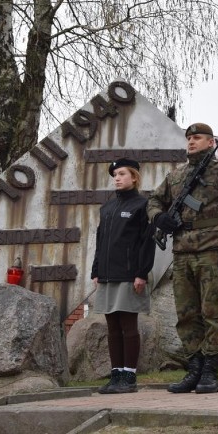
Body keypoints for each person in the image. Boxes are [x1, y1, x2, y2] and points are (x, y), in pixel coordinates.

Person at [148, 122, 218, 394]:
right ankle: (194, 368)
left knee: (212, 312)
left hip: (213, 251)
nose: (191, 142)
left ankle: (210, 371)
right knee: (186, 315)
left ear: (211, 142)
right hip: (182, 252)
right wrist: (160, 217)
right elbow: (154, 201)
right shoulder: (176, 176)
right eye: (189, 138)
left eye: (198, 138)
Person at [91, 157, 155, 394]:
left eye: (122, 174)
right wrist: (96, 270)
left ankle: (130, 377)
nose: (117, 178)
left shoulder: (142, 205)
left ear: (134, 177)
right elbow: (100, 242)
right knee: (112, 327)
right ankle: (116, 374)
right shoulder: (106, 208)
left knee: (129, 326)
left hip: (130, 276)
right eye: (115, 175)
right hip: (107, 276)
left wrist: (141, 273)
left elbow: (146, 242)